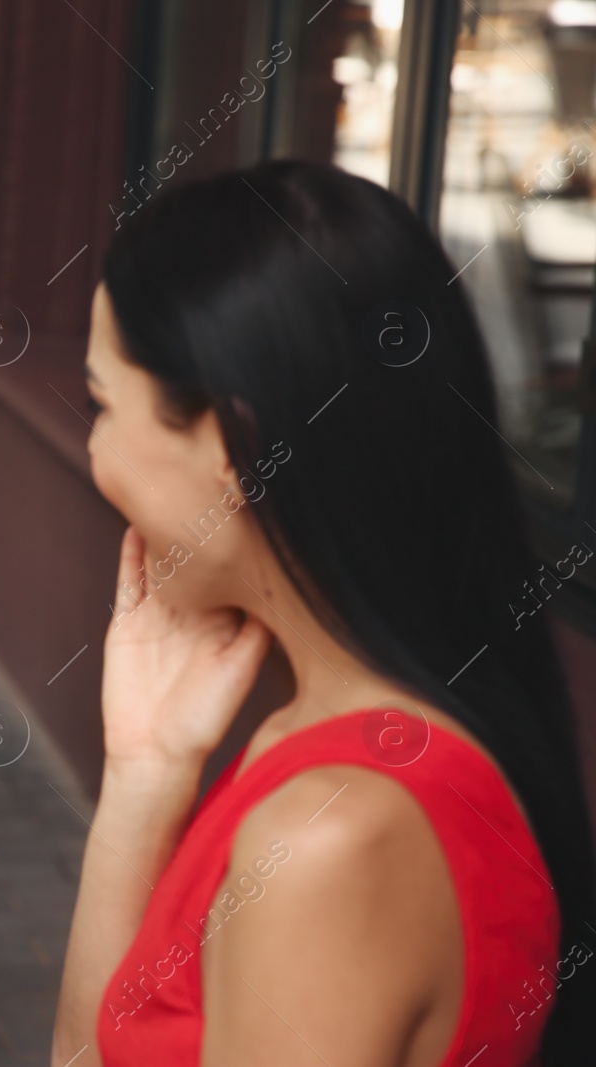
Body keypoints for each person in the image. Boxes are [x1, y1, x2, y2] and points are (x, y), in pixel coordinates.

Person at [53, 161, 596, 1066]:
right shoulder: (335, 747)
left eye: (101, 405)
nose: (93, 449)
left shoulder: (332, 840)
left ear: (232, 445)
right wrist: (145, 772)